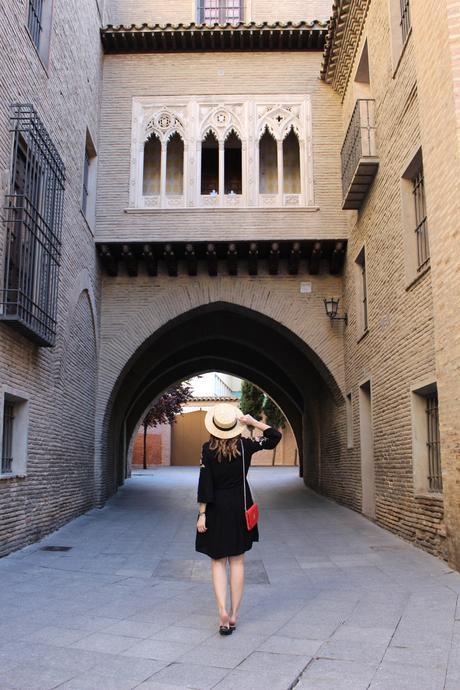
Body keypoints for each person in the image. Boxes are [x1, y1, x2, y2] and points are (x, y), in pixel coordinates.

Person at [195, 402, 282, 635]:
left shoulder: (207, 449)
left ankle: (222, 610)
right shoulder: (246, 446)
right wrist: (252, 422)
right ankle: (234, 614)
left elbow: (205, 483)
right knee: (237, 562)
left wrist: (202, 514)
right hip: (239, 506)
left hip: (215, 509)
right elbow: (274, 436)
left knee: (217, 562)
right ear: (234, 425)